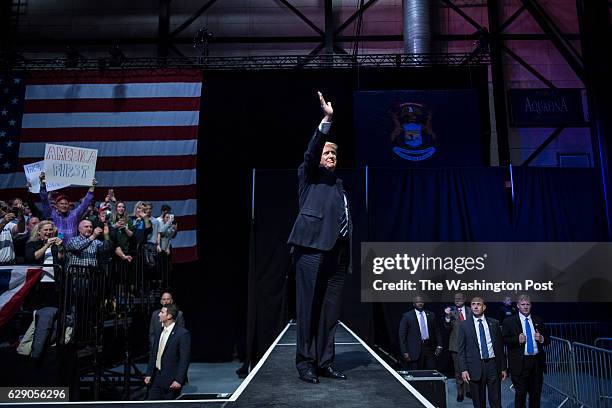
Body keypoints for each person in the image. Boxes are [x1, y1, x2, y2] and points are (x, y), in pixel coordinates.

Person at [287, 91, 351, 384]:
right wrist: (327, 120)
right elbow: (310, 152)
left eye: (334, 154)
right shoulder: (309, 175)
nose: (330, 157)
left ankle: (325, 361)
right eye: (327, 153)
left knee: (329, 314)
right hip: (310, 249)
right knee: (308, 309)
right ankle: (305, 363)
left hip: (337, 254)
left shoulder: (338, 184)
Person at [457, 297, 507, 408]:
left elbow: (499, 348)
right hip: (474, 366)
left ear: (484, 307)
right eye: (473, 304)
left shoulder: (494, 323)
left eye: (478, 304)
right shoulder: (464, 325)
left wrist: (503, 367)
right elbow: (461, 350)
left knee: (496, 399)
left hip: (493, 365)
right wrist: (464, 369)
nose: (475, 306)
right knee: (479, 402)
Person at [502, 295, 549, 408]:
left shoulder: (538, 320)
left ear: (531, 305)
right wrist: (516, 340)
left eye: (528, 304)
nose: (525, 307)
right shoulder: (509, 321)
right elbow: (504, 340)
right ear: (518, 306)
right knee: (521, 394)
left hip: (537, 362)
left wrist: (542, 339)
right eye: (523, 304)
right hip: (520, 363)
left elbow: (547, 339)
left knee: (536, 394)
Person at [145, 304, 191, 400]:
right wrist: (149, 374)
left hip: (171, 381)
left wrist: (178, 380)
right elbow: (154, 354)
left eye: (162, 312)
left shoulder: (182, 334)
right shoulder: (159, 332)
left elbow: (184, 359)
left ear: (169, 316)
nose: (159, 315)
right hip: (155, 379)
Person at [39, 172, 97, 241]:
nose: (64, 206)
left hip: (73, 248)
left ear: (69, 205)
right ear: (56, 206)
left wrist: (92, 188)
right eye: (61, 204)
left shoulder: (74, 214)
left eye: (66, 204)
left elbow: (85, 204)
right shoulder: (52, 214)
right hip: (57, 249)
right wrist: (42, 185)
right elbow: (44, 201)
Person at [399, 295, 443, 370]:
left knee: (432, 371)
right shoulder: (407, 316)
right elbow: (402, 336)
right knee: (417, 373)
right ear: (413, 304)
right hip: (414, 350)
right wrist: (404, 352)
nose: (420, 304)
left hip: (429, 347)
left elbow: (437, 331)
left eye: (421, 302)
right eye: (417, 302)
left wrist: (439, 345)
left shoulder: (431, 315)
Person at [443, 292, 472, 401]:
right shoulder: (451, 312)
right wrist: (447, 316)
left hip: (470, 346)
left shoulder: (470, 310)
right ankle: (460, 392)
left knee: (470, 369)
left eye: (459, 299)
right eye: (455, 299)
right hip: (456, 346)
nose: (457, 300)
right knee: (458, 371)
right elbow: (447, 327)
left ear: (464, 299)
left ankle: (469, 390)